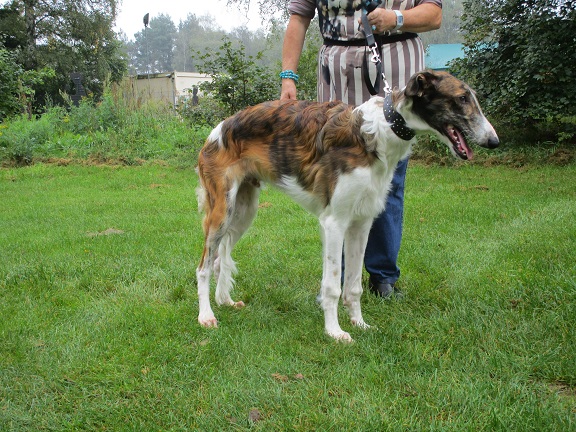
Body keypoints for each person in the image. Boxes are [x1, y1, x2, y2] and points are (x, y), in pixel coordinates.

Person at [280, 0, 442, 298]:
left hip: (394, 71)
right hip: (336, 80)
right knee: (336, 185)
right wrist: (288, 75)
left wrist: (396, 17)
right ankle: (337, 278)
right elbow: (299, 17)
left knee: (389, 182)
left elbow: (434, 15)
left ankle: (383, 277)